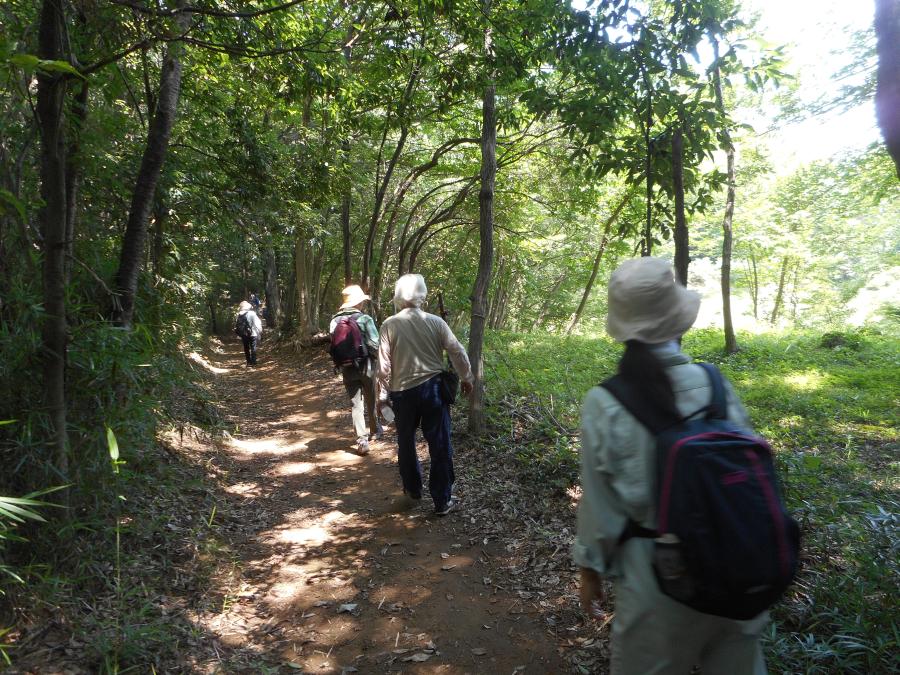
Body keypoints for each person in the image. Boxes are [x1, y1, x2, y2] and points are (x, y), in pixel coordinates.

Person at [573, 257, 768, 674]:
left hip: (655, 577)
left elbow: (600, 509)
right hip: (734, 564)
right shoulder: (717, 385)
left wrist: (591, 567)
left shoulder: (605, 403)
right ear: (679, 321)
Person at [377, 274, 474, 516]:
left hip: (402, 394)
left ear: (398, 297)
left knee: (406, 442)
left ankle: (412, 489)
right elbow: (457, 351)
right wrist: (467, 377)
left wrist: (381, 396)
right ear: (423, 295)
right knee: (440, 444)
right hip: (433, 391)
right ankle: (442, 500)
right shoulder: (436, 322)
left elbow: (382, 368)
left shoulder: (389, 324)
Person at [330, 285, 382, 455]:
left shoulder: (334, 321)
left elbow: (334, 345)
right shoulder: (365, 319)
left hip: (347, 367)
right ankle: (375, 430)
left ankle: (361, 440)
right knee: (371, 397)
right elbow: (375, 344)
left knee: (355, 404)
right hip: (366, 365)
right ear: (359, 302)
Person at [235, 300, 263, 366]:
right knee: (253, 348)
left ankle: (248, 362)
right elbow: (257, 323)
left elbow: (237, 325)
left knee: (246, 348)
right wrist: (260, 331)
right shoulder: (252, 313)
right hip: (253, 333)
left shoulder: (239, 314)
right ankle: (254, 362)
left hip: (244, 334)